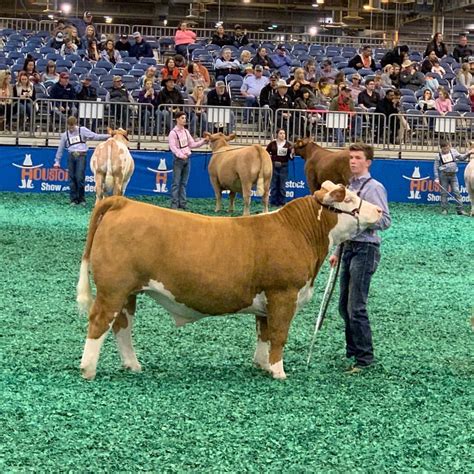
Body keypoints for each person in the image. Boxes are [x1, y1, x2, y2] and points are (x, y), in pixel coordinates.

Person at [329, 142, 391, 374]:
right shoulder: (349, 187)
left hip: (366, 249)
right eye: (351, 157)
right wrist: (337, 251)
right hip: (348, 248)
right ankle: (354, 349)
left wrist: (362, 220)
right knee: (344, 306)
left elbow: (385, 221)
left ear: (368, 162)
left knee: (356, 306)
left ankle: (365, 358)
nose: (353, 161)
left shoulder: (374, 188)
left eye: (357, 158)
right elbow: (344, 223)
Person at [53, 116, 110, 206]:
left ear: (76, 124)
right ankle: (73, 199)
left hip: (81, 155)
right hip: (71, 155)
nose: (71, 128)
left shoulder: (82, 130)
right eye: (69, 126)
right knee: (72, 178)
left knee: (80, 177)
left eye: (72, 126)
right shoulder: (65, 135)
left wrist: (109, 136)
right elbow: (60, 149)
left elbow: (95, 136)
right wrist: (57, 161)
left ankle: (81, 198)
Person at [168, 111, 208, 209]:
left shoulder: (186, 131)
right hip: (178, 160)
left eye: (185, 118)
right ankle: (174, 204)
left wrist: (203, 141)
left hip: (187, 159)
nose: (184, 120)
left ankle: (183, 203)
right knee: (176, 183)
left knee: (184, 183)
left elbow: (192, 144)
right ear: (177, 119)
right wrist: (181, 155)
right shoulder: (173, 133)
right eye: (182, 118)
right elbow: (173, 147)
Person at [434, 140, 472, 215]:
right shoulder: (438, 156)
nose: (446, 150)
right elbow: (436, 167)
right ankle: (444, 209)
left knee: (457, 192)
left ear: (449, 146)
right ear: (441, 148)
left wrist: (468, 153)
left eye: (447, 148)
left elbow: (462, 158)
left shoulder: (454, 152)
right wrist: (436, 178)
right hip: (443, 176)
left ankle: (460, 209)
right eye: (444, 149)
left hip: (453, 176)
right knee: (444, 193)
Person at [266, 129, 293, 207]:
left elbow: (291, 158)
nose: (282, 135)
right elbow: (266, 152)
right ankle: (273, 202)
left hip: (284, 166)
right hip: (274, 166)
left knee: (282, 186)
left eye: (284, 133)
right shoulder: (272, 144)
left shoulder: (288, 145)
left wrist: (292, 153)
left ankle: (282, 203)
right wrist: (270, 159)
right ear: (277, 134)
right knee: (273, 185)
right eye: (281, 133)